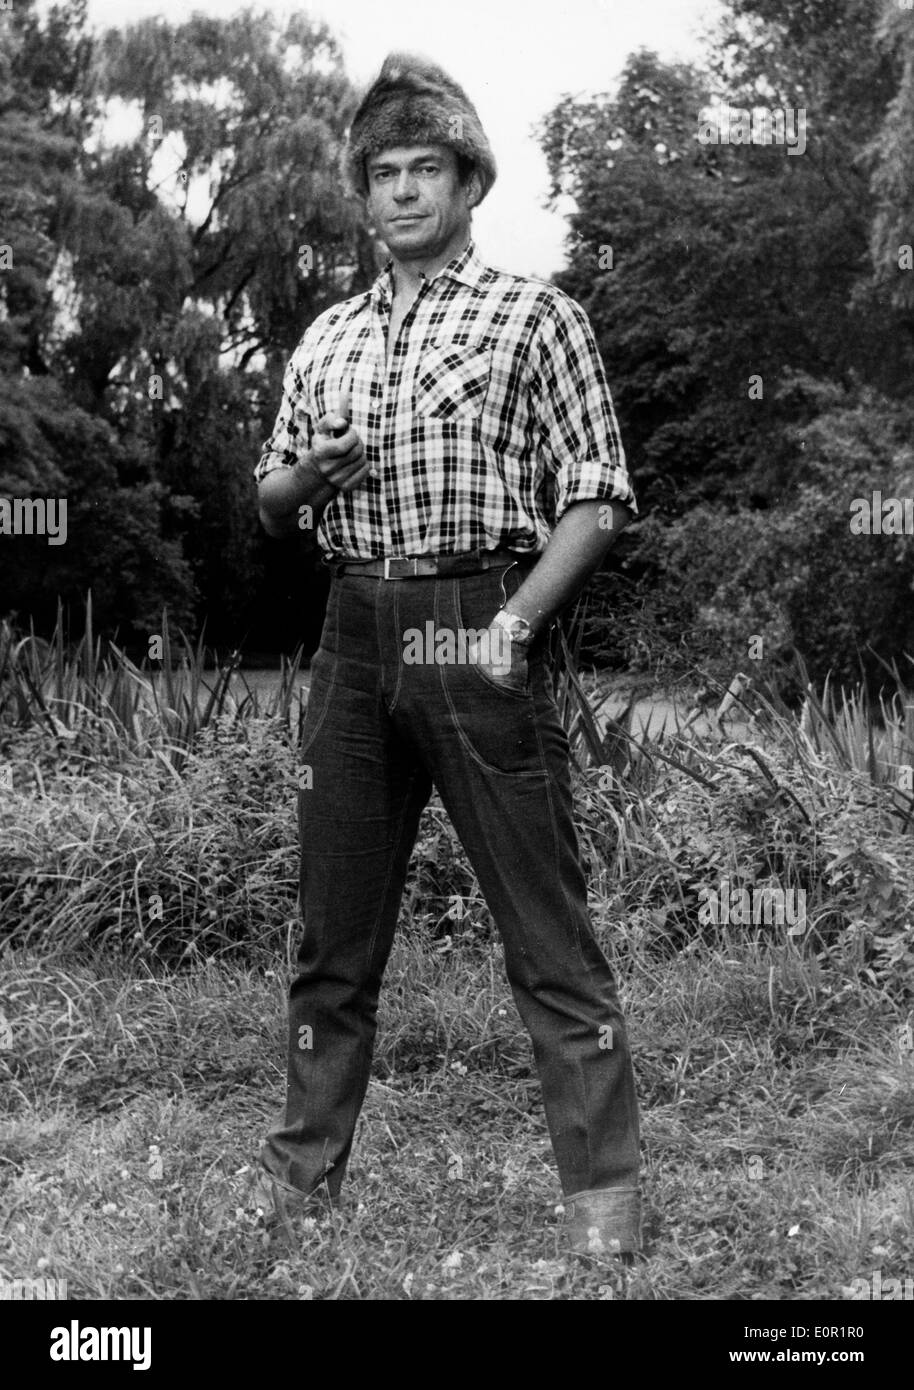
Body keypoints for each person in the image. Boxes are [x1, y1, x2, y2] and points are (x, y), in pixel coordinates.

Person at [253, 51, 642, 1261]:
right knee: (332, 939)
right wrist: (305, 476)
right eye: (385, 173)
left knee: (545, 929)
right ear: (362, 197)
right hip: (351, 634)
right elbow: (270, 500)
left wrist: (511, 626)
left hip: (478, 614)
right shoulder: (324, 339)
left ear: (469, 182)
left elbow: (597, 496)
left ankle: (602, 1211)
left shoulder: (536, 317)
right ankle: (301, 1185)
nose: (405, 191)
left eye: (428, 169)